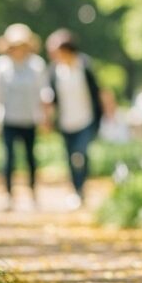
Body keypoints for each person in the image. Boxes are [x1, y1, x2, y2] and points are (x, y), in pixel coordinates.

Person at [0, 24, 47, 210]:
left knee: (30, 157)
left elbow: (43, 93)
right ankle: (9, 195)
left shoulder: (36, 65)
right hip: (8, 119)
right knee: (8, 158)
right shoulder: (0, 65)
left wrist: (45, 117)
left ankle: (33, 193)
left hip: (29, 119)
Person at [44, 29, 103, 210]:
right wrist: (47, 118)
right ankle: (76, 189)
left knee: (81, 153)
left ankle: (82, 187)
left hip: (86, 119)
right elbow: (50, 98)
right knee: (71, 157)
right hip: (65, 122)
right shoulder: (54, 70)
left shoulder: (84, 66)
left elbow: (97, 91)